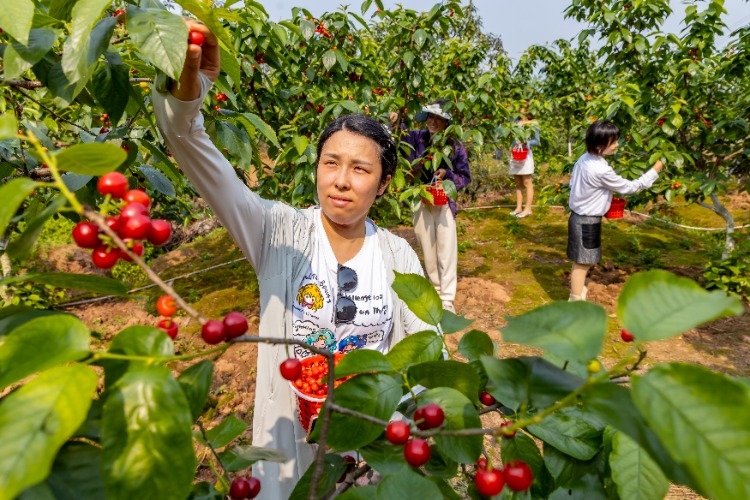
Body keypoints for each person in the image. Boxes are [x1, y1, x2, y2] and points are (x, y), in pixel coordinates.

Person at [153, 22, 435, 499]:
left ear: (384, 184)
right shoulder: (277, 232)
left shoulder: (398, 254)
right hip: (289, 446)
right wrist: (189, 86)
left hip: (371, 448)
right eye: (331, 162)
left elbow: (429, 349)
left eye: (361, 169)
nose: (341, 181)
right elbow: (189, 144)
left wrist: (417, 416)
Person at [567, 120, 665, 301]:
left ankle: (578, 292)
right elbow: (630, 187)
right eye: (613, 142)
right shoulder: (600, 170)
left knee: (581, 261)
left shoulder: (585, 159)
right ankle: (575, 299)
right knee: (583, 263)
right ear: (599, 145)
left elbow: (575, 185)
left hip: (579, 217)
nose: (617, 145)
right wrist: (655, 170)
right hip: (587, 221)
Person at [389, 100, 471, 313]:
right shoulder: (417, 138)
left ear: (446, 123)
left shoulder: (454, 146)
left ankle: (447, 298)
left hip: (444, 204)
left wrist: (447, 175)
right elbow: (400, 138)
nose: (433, 122)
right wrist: (396, 120)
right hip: (422, 201)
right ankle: (435, 289)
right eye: (431, 117)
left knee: (447, 249)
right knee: (428, 248)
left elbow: (465, 177)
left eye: (438, 119)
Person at [508, 112, 540, 218]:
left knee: (527, 181)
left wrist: (527, 142)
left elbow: (537, 140)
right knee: (517, 182)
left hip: (525, 154)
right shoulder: (514, 121)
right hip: (515, 153)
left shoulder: (533, 124)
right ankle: (518, 208)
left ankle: (528, 208)